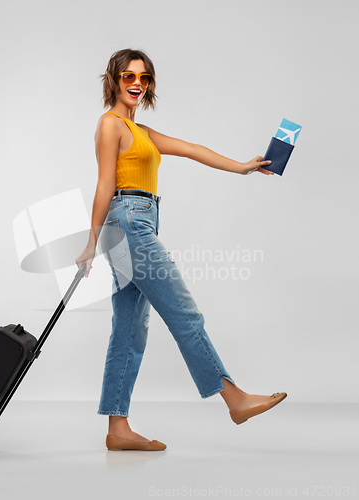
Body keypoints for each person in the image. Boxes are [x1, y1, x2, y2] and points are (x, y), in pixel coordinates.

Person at [75, 48, 287, 452]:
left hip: (138, 220)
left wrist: (242, 166)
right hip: (128, 222)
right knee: (183, 311)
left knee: (129, 329)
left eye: (145, 78)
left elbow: (191, 148)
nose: (137, 84)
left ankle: (117, 429)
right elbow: (104, 184)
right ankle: (233, 399)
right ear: (114, 80)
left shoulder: (144, 133)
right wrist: (90, 241)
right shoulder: (110, 125)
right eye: (129, 77)